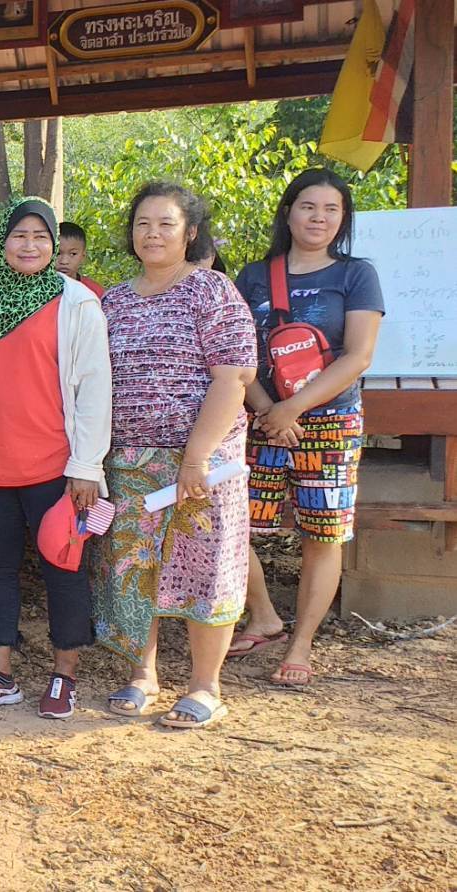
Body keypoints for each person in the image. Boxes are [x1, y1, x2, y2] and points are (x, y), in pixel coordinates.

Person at [0, 198, 111, 719]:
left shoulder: (77, 305)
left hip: (55, 467)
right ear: (4, 243)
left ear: (55, 247)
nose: (28, 246)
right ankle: (0, 675)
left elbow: (95, 390)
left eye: (40, 237)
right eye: (19, 236)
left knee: (64, 568)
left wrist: (86, 466)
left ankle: (63, 676)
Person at [92, 182, 257, 730]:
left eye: (166, 223)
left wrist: (196, 457)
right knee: (136, 568)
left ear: (190, 233)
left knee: (205, 566)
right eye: (143, 223)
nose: (152, 233)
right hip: (130, 461)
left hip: (204, 464)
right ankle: (143, 673)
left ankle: (206, 687)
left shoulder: (212, 291)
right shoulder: (113, 299)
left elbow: (233, 376)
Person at [232, 169, 384, 687]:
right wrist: (266, 408)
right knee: (235, 522)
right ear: (288, 211)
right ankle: (265, 616)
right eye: (308, 207)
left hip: (330, 420)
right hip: (262, 418)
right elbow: (238, 354)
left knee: (323, 533)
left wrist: (291, 410)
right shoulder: (254, 275)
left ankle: (301, 644)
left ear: (343, 219)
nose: (319, 218)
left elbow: (358, 355)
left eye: (331, 210)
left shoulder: (356, 274)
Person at [55, 221, 105, 298]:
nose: (64, 261)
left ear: (83, 256)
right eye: (58, 253)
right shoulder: (37, 290)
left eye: (73, 254)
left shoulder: (94, 291)